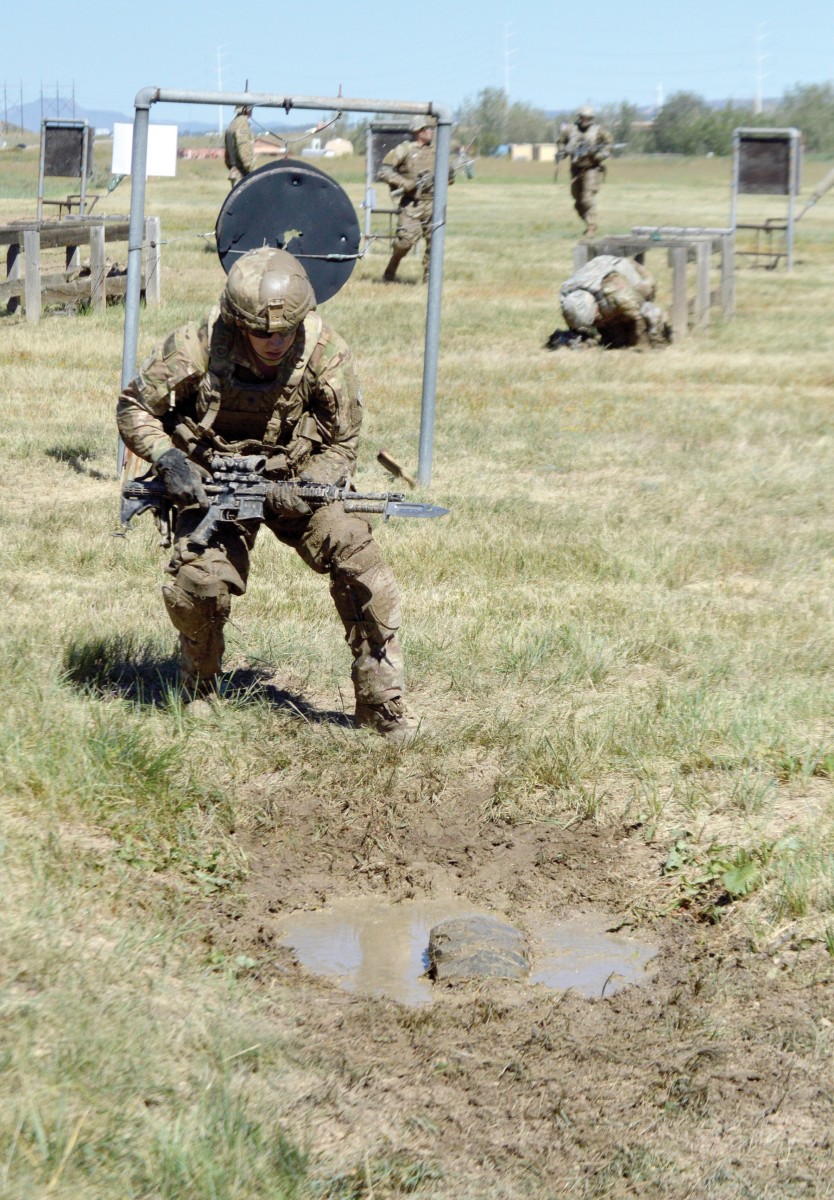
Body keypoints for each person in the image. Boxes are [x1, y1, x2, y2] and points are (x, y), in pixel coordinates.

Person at [116, 247, 419, 743]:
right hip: (215, 486)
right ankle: (199, 689)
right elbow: (134, 406)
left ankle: (381, 702)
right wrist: (168, 460)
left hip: (297, 482)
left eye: (287, 330)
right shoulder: (195, 345)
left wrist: (303, 488)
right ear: (237, 322)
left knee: (359, 559)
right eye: (262, 332)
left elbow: (343, 442)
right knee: (199, 579)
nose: (276, 341)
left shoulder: (326, 353)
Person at [376, 116, 453, 283]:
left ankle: (430, 281)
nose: (432, 132)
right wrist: (405, 183)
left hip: (434, 203)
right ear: (419, 131)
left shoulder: (437, 151)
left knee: (435, 244)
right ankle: (392, 266)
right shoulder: (404, 150)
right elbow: (383, 171)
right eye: (428, 129)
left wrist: (449, 173)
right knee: (405, 241)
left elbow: (450, 179)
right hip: (411, 204)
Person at [551, 254, 671, 349]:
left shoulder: (619, 294)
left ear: (595, 308)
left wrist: (648, 342)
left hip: (628, 277)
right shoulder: (570, 304)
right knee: (614, 342)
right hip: (605, 294)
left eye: (595, 318)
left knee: (648, 317)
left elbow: (642, 316)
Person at [556, 106, 613, 238]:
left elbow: (609, 144)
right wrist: (562, 151)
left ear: (591, 119)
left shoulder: (598, 131)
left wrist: (599, 155)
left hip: (591, 169)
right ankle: (588, 222)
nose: (585, 120)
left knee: (587, 198)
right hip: (576, 169)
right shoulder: (570, 130)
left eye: (588, 118)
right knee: (578, 201)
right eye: (582, 117)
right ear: (579, 117)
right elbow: (560, 142)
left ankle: (591, 227)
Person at [224, 105, 255, 188]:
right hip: (243, 176)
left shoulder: (232, 123)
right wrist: (253, 172)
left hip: (235, 173)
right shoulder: (242, 124)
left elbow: (227, 155)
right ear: (247, 109)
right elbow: (244, 152)